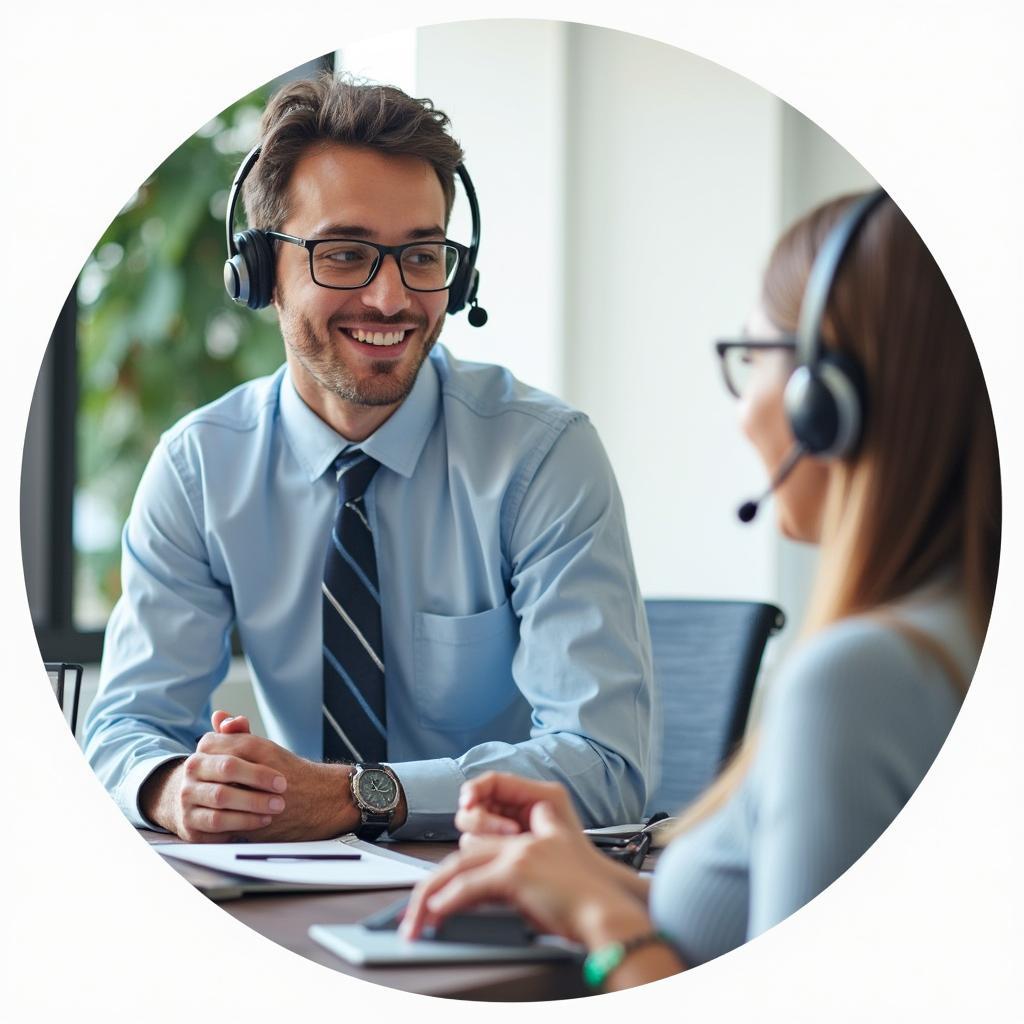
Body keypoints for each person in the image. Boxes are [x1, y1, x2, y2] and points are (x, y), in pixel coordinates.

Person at [401, 192, 1001, 991]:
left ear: (825, 405)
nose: (745, 405)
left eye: (754, 357)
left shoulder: (860, 679)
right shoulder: (959, 635)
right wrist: (589, 878)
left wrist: (603, 926)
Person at [83, 74, 653, 844]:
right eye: (345, 255)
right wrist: (177, 787)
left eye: (422, 256)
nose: (391, 298)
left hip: (500, 883)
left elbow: (606, 768)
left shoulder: (542, 457)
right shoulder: (199, 469)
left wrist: (358, 795)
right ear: (257, 273)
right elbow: (125, 726)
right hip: (292, 890)